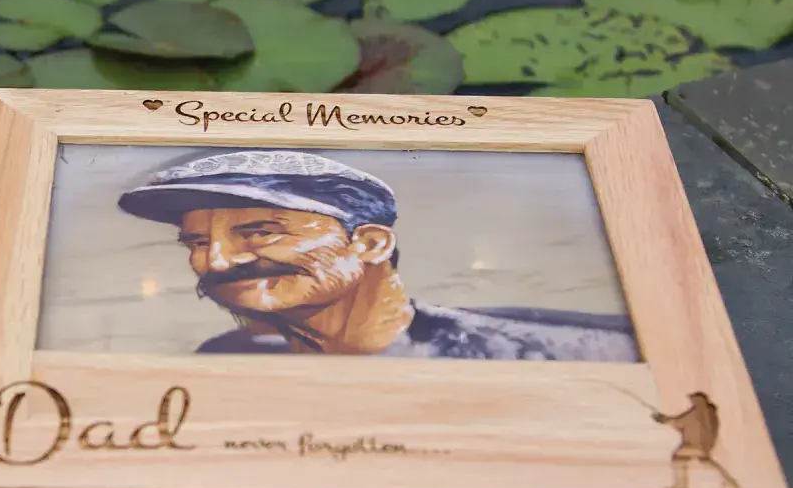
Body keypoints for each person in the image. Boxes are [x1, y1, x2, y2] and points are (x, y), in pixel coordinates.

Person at [117, 149, 639, 360]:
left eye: (259, 233)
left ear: (369, 243)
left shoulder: (565, 354)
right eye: (199, 243)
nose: (215, 264)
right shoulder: (226, 360)